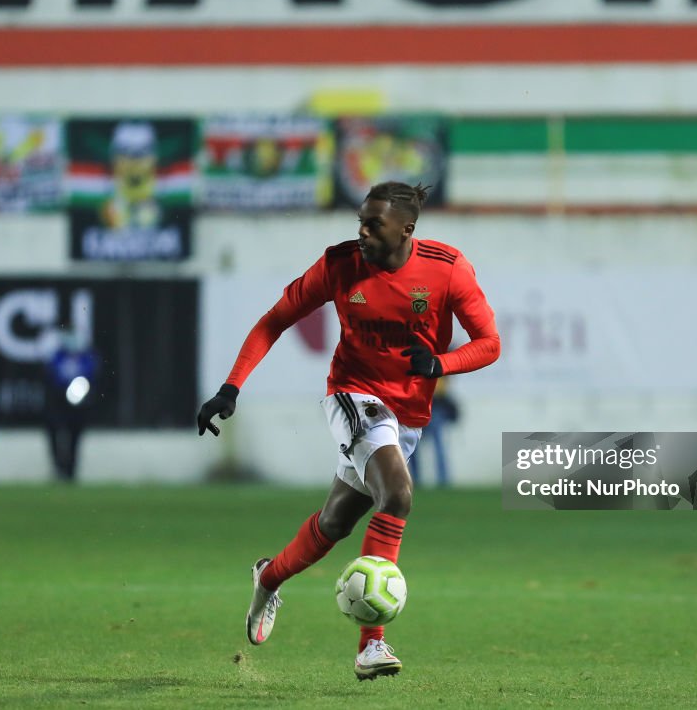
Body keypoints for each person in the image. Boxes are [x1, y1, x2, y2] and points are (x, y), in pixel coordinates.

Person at [197, 181, 500, 680]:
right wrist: (231, 387)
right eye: (359, 220)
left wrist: (440, 365)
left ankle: (268, 577)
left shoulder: (447, 269)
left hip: (407, 417)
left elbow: (489, 343)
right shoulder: (339, 266)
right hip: (353, 396)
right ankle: (371, 644)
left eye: (372, 224)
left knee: (335, 523)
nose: (360, 231)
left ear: (406, 229)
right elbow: (274, 320)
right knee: (398, 495)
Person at [44, 332, 99, 482]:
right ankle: (58, 467)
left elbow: (91, 377)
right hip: (59, 402)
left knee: (75, 437)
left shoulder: (87, 358)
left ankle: (71, 471)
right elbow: (52, 376)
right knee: (55, 433)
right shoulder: (57, 357)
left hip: (79, 406)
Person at [409, 376, 460, 487]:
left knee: (437, 447)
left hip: (433, 408)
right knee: (414, 448)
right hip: (418, 409)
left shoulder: (439, 369)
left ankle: (442, 479)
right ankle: (416, 479)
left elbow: (443, 392)